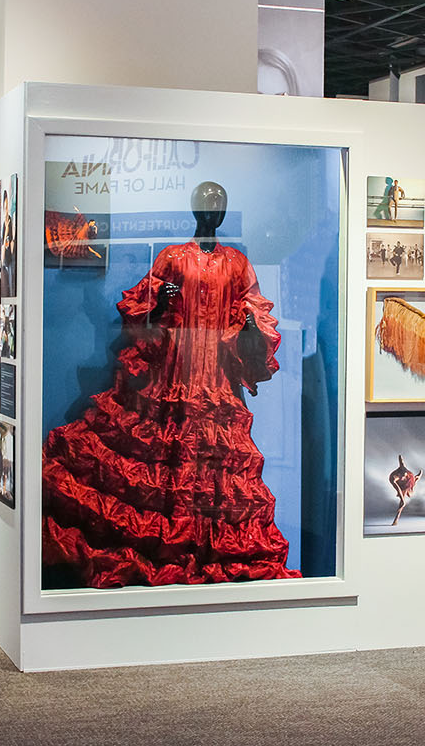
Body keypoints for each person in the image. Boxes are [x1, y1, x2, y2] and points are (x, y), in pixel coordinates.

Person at [42, 181, 300, 588]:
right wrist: (164, 300)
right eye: (205, 204)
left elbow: (253, 312)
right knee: (164, 462)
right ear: (195, 210)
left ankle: (206, 548)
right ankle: (169, 547)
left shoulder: (237, 263)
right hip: (174, 372)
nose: (211, 211)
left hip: (214, 377)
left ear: (224, 212)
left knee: (215, 470)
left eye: (219, 204)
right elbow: (143, 312)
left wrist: (249, 324)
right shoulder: (173, 257)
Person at [387, 455, 424, 526]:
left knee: (412, 480)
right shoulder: (393, 478)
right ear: (398, 475)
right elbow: (398, 490)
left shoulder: (405, 473)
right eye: (403, 476)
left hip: (408, 478)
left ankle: (417, 477)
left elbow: (401, 461)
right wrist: (403, 501)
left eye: (405, 475)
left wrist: (400, 457)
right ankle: (396, 519)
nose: (404, 477)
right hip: (401, 485)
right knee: (402, 502)